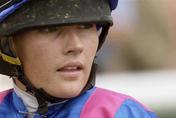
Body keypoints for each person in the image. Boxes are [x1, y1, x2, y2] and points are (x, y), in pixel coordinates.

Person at [0, 0, 158, 117]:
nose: (75, 46)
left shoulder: (126, 114)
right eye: (49, 28)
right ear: (7, 44)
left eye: (85, 26)